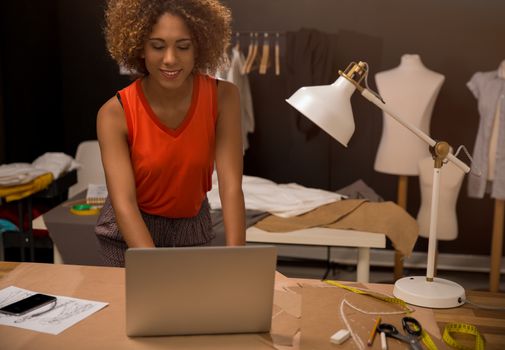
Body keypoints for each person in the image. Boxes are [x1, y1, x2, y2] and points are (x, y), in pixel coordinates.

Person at [95, 0, 246, 267]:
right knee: (140, 308)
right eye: (157, 46)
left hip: (192, 230)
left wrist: (239, 263)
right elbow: (124, 204)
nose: (170, 59)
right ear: (139, 47)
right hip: (129, 237)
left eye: (183, 46)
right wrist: (157, 272)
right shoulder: (114, 113)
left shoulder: (224, 98)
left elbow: (231, 187)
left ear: (199, 46)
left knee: (196, 309)